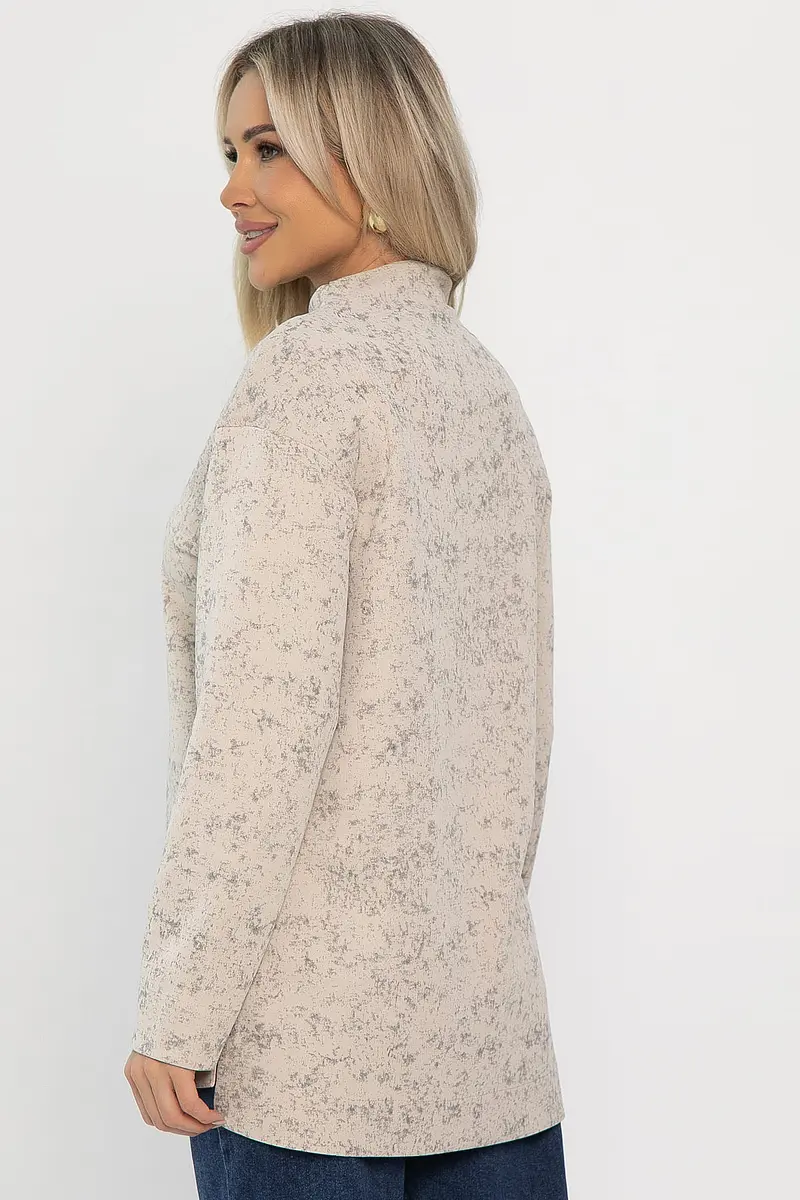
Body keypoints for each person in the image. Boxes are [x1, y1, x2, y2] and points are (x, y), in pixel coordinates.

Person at [123, 12, 568, 1199]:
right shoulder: (482, 388)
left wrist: (179, 1005)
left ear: (368, 160)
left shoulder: (304, 381)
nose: (234, 189)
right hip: (486, 1052)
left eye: (268, 149)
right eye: (230, 154)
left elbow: (259, 728)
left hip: (305, 1072)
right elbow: (519, 740)